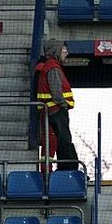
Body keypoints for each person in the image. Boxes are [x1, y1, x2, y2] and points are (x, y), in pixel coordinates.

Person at [36, 39, 79, 170]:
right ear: (56, 51)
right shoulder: (53, 68)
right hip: (57, 109)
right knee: (65, 141)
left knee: (62, 141)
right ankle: (69, 169)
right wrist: (64, 105)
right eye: (63, 50)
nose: (66, 52)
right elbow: (56, 92)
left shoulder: (51, 66)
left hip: (53, 110)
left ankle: (67, 168)